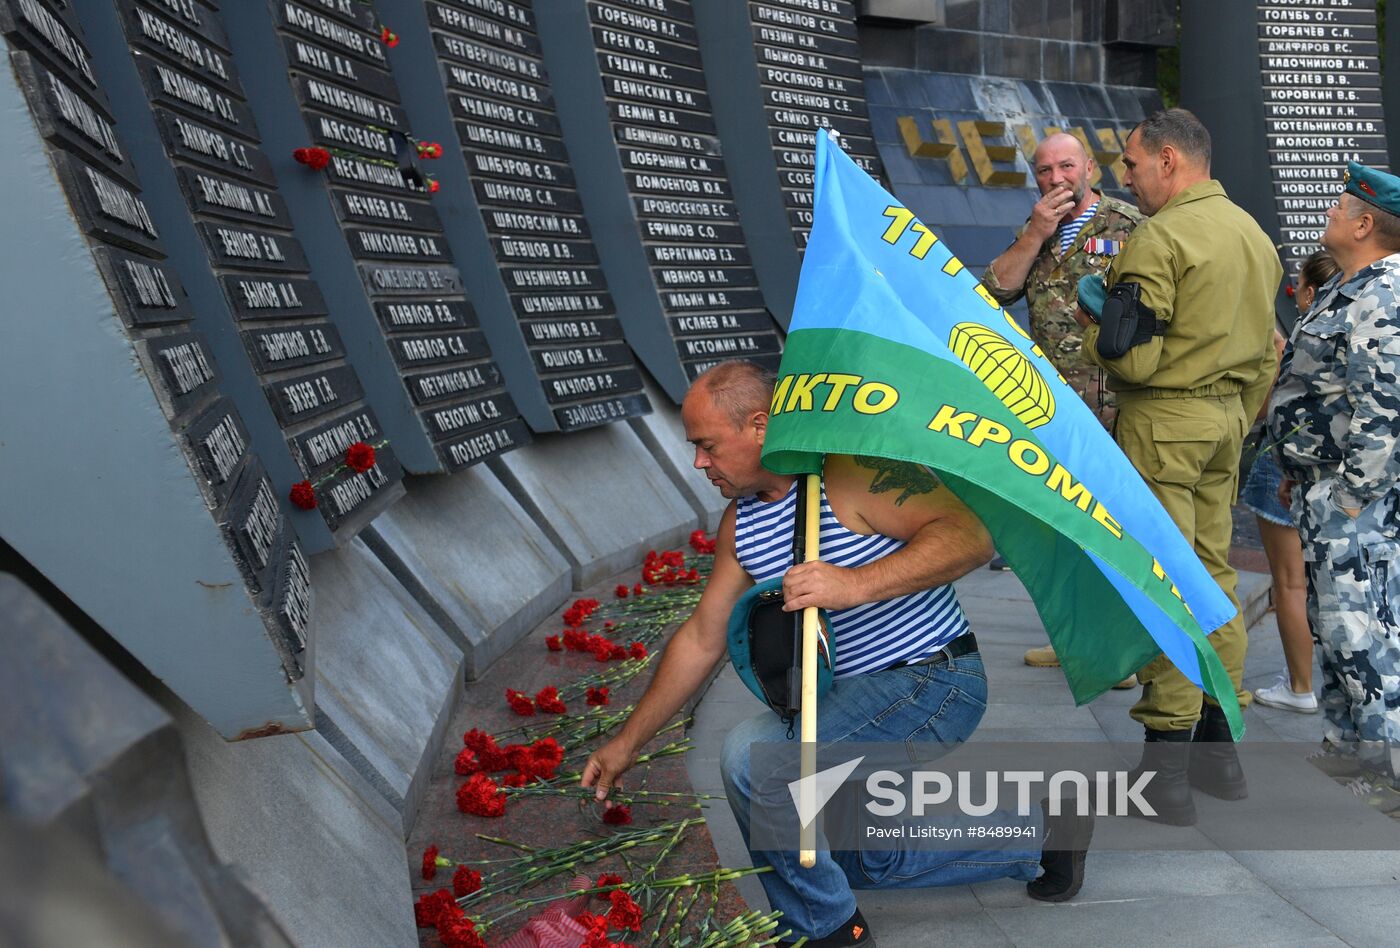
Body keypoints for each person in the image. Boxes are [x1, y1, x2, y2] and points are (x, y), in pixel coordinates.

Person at [581, 361, 1094, 947]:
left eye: (707, 445)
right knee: (865, 864)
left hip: (932, 682)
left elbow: (970, 537)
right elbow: (701, 638)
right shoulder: (741, 526)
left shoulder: (851, 474)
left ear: (760, 426)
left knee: (754, 760)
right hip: (848, 699)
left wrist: (853, 584)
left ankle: (827, 932)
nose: (699, 463)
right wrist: (627, 743)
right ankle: (1047, 833)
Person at [1072, 109, 1281, 825]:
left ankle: (1166, 767)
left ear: (1168, 159)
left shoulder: (1159, 238)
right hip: (1226, 424)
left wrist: (1098, 324)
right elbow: (1267, 356)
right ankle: (1219, 753)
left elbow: (1133, 355)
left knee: (1162, 581)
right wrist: (1234, 414)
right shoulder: (1253, 235)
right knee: (1214, 574)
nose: (1124, 178)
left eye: (1130, 165)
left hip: (1163, 422)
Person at [982, 132, 1142, 674]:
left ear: (1090, 169)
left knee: (1117, 526)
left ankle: (1124, 652)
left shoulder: (1128, 224)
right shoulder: (1036, 231)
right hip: (1053, 408)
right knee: (1066, 528)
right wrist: (1036, 233)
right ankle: (1077, 638)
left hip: (1115, 402)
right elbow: (994, 292)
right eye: (1045, 170)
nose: (1055, 179)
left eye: (1066, 166)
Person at [1267, 162, 1400, 807]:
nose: (1328, 216)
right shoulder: (1350, 288)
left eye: (1337, 207)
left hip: (1358, 503)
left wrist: (1346, 493)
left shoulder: (1384, 295)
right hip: (1327, 490)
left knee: (1362, 631)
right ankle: (1346, 754)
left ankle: (1387, 773)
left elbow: (1386, 410)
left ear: (1365, 223)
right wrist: (1301, 475)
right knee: (1334, 628)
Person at [1246, 252, 1340, 714]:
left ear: (1306, 293)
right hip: (1336, 471)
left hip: (1283, 465)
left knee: (1289, 583)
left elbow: (1265, 410)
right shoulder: (1351, 328)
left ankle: (1301, 686)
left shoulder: (1298, 341)